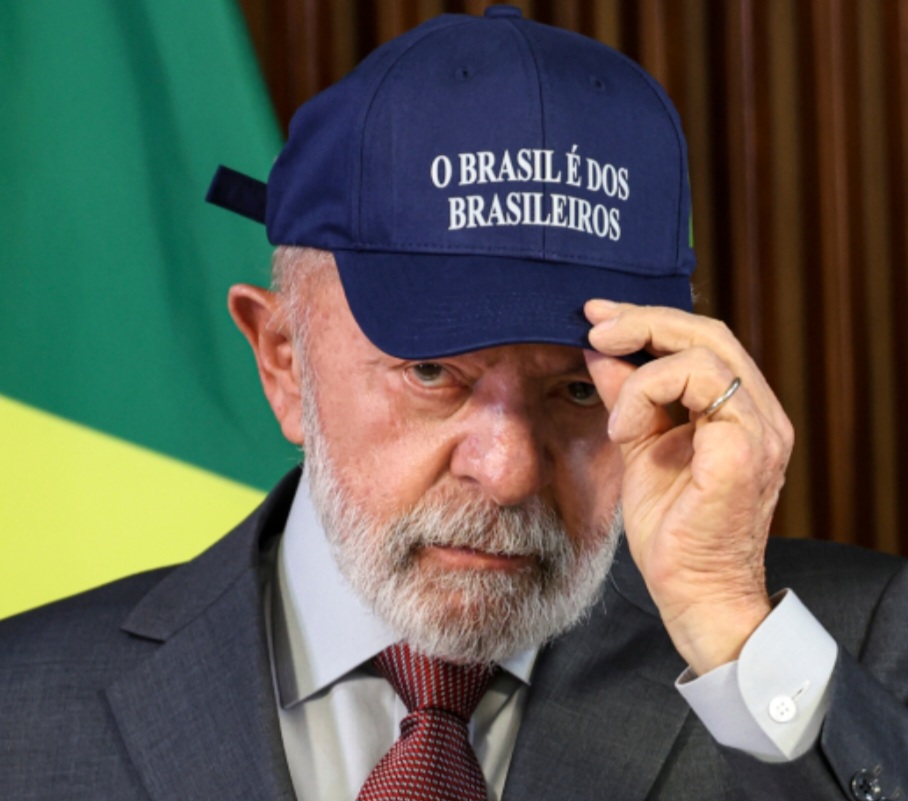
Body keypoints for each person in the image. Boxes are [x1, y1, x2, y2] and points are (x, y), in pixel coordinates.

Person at [2, 7, 906, 801]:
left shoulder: (846, 651)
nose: (508, 472)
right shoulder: (20, 708)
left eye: (579, 388)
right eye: (432, 372)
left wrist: (734, 632)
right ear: (284, 362)